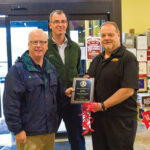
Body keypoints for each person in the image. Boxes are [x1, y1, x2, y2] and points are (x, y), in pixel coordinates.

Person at [3, 29, 73, 150]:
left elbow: (57, 95)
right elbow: (10, 104)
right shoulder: (17, 70)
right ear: (28, 45)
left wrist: (66, 93)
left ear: (47, 45)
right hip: (29, 134)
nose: (39, 46)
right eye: (34, 42)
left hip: (49, 131)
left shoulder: (51, 68)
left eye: (42, 42)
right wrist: (17, 130)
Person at [85, 21, 139, 150]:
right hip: (99, 119)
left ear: (118, 35)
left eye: (110, 34)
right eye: (103, 35)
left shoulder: (128, 58)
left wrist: (103, 105)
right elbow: (88, 78)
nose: (106, 38)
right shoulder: (98, 59)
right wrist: (76, 89)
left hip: (121, 120)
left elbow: (128, 90)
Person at [45, 10, 86, 150]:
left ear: (67, 24)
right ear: (50, 24)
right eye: (56, 21)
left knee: (77, 140)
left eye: (63, 21)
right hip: (51, 102)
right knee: (46, 138)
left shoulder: (74, 47)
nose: (60, 24)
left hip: (72, 103)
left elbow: (77, 70)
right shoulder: (43, 47)